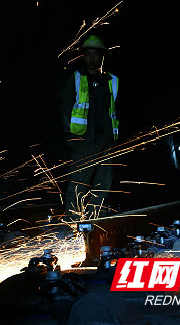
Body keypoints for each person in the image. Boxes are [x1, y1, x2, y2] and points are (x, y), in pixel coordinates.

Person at [60, 34, 119, 221]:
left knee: (104, 181)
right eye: (87, 54)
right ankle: (72, 222)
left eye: (95, 54)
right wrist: (68, 135)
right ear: (83, 57)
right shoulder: (76, 78)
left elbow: (115, 110)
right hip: (84, 139)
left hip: (107, 139)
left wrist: (114, 136)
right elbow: (66, 108)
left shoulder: (112, 80)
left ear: (103, 56)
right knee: (78, 182)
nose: (91, 58)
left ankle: (96, 219)